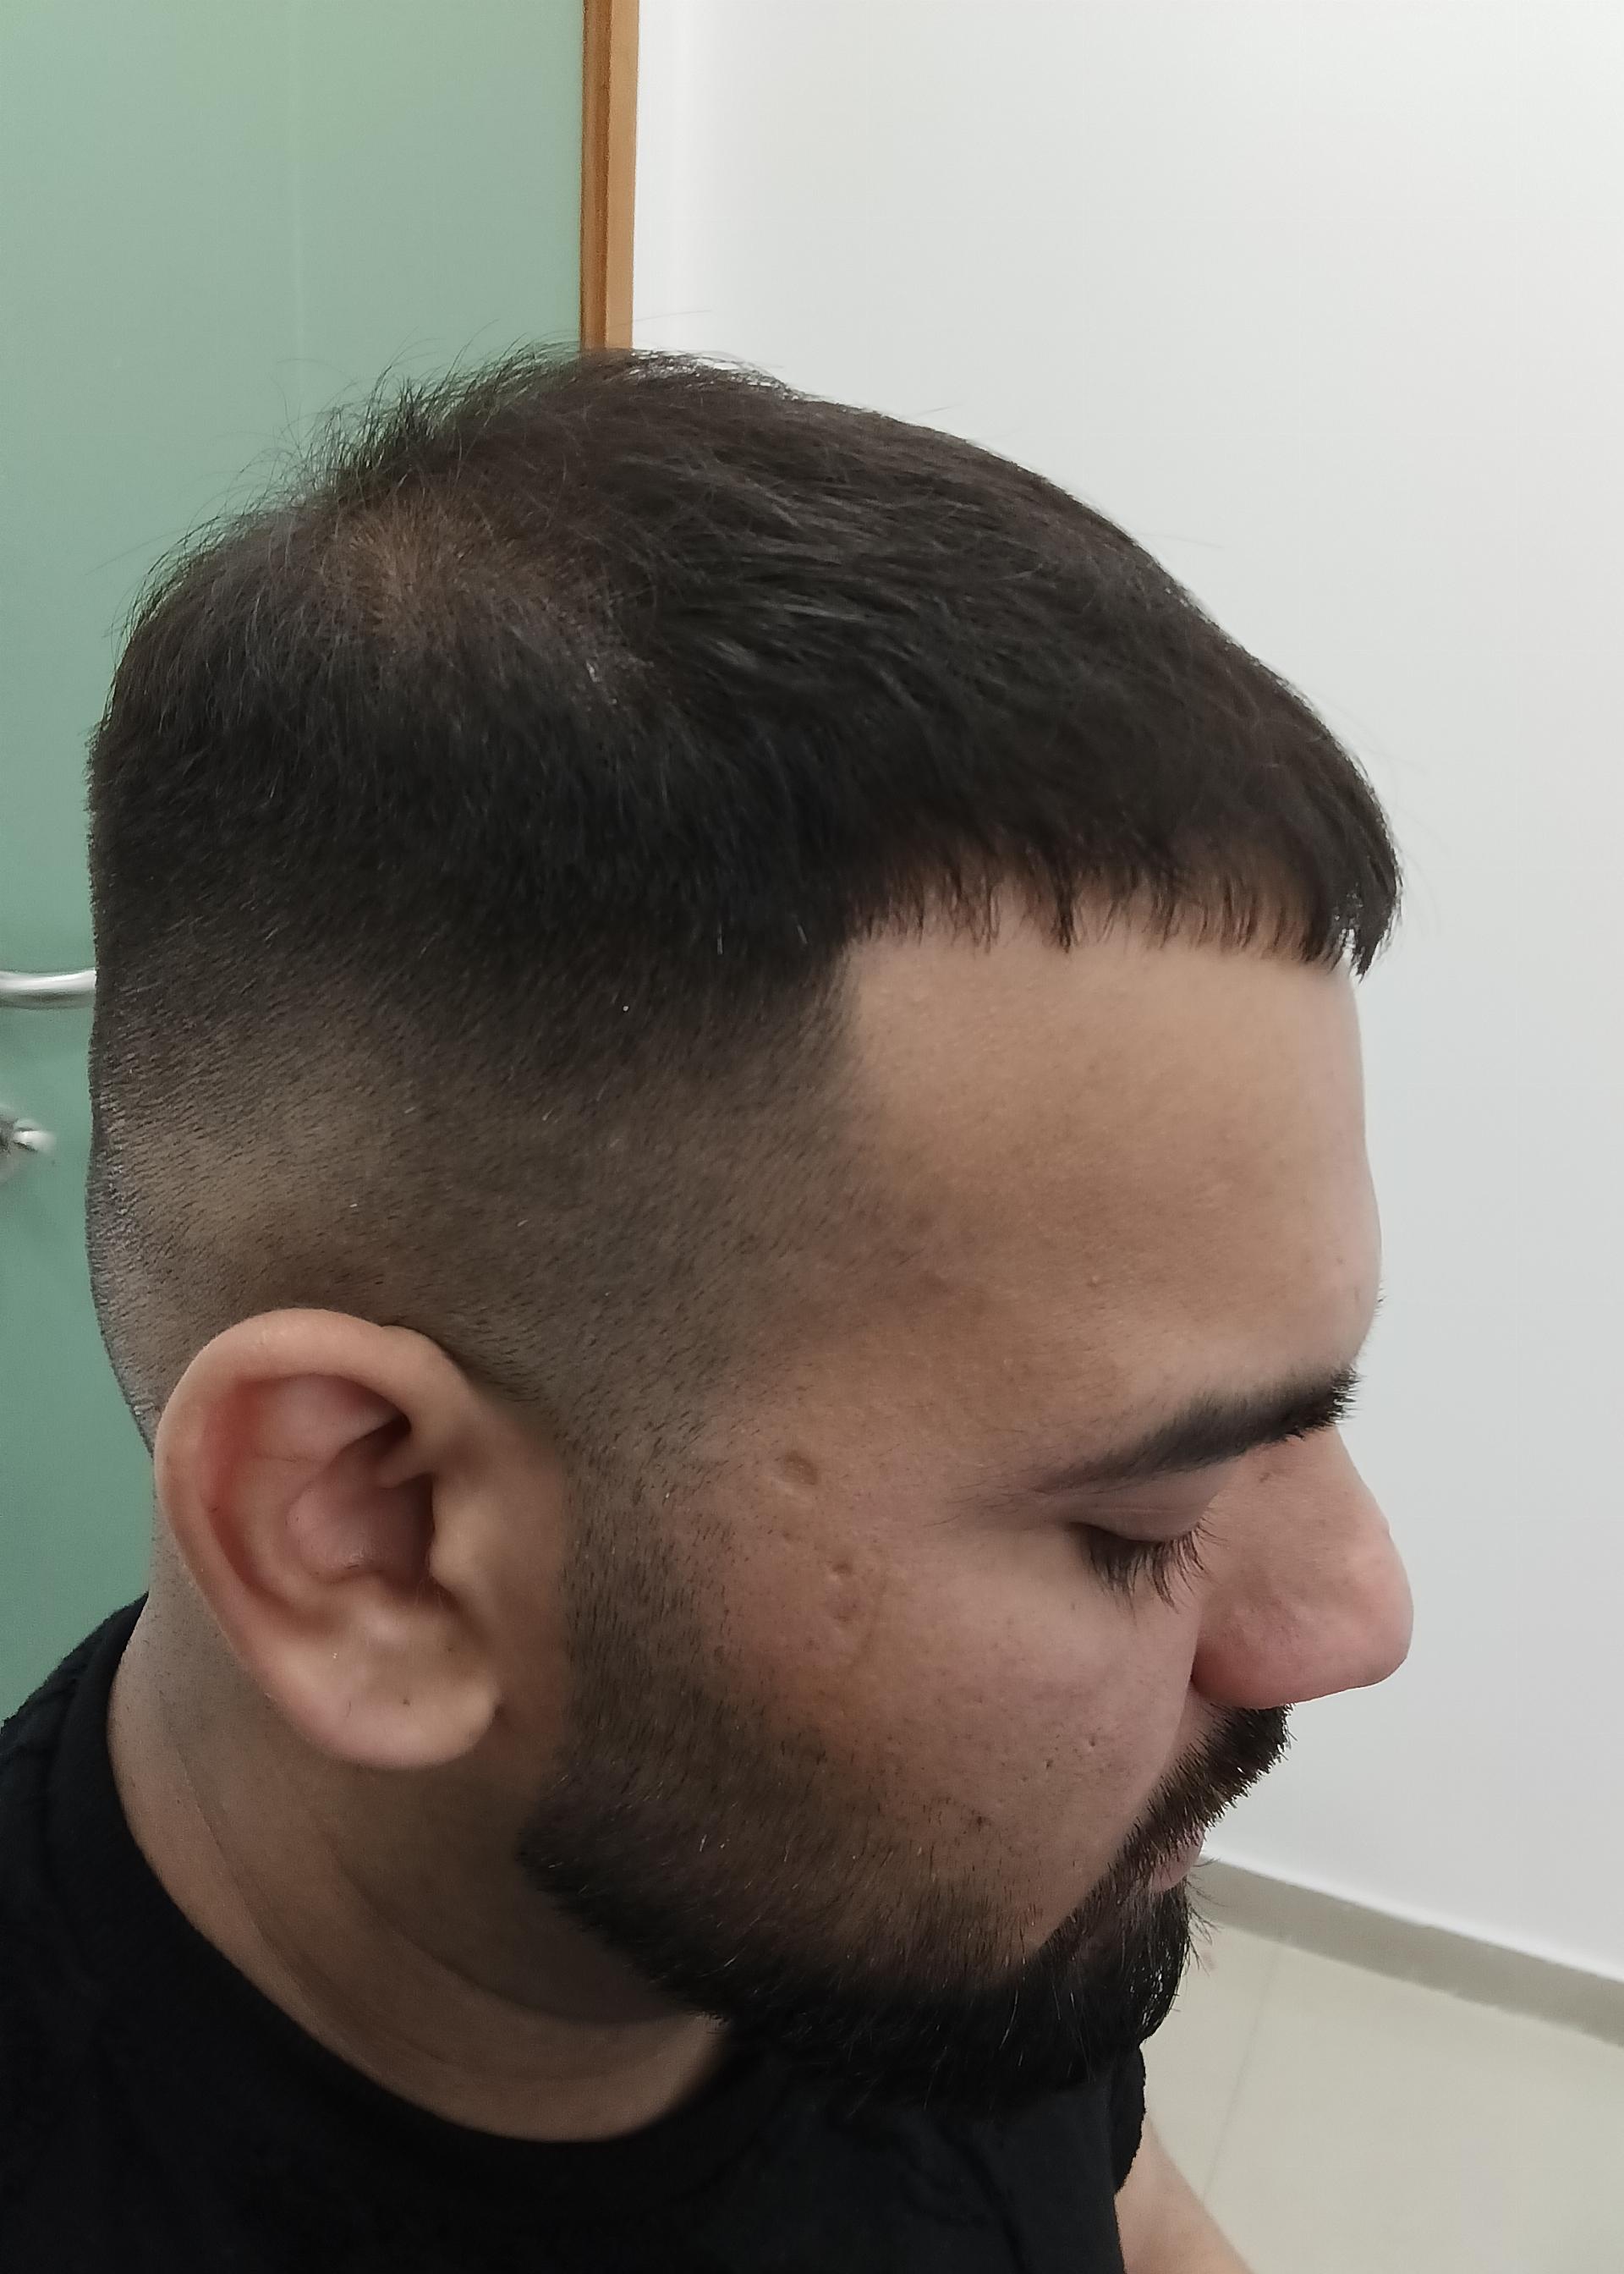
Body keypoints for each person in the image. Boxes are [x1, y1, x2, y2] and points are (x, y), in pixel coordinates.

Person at [0, 349, 1413, 2272]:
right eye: (1137, 1527)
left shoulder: (931, 1911)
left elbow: (1124, 2217)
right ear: (377, 1539)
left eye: (1302, 1417)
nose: (1355, 1617)